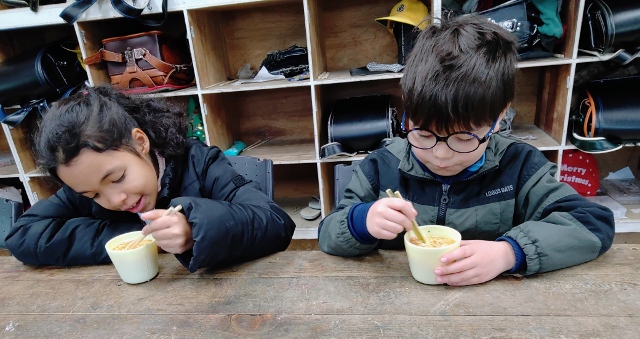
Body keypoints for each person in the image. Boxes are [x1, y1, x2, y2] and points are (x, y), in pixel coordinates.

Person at [318, 14, 615, 286]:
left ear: (499, 117)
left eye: (463, 138)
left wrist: (509, 253)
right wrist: (362, 221)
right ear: (407, 113)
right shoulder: (382, 165)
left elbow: (592, 223)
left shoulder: (519, 165)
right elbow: (328, 233)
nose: (441, 155)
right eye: (423, 134)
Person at [6, 85, 296, 272]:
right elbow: (22, 236)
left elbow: (275, 223)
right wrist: (136, 239)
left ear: (140, 142)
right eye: (93, 196)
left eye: (117, 177)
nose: (114, 200)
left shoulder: (200, 163)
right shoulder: (84, 184)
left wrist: (195, 228)